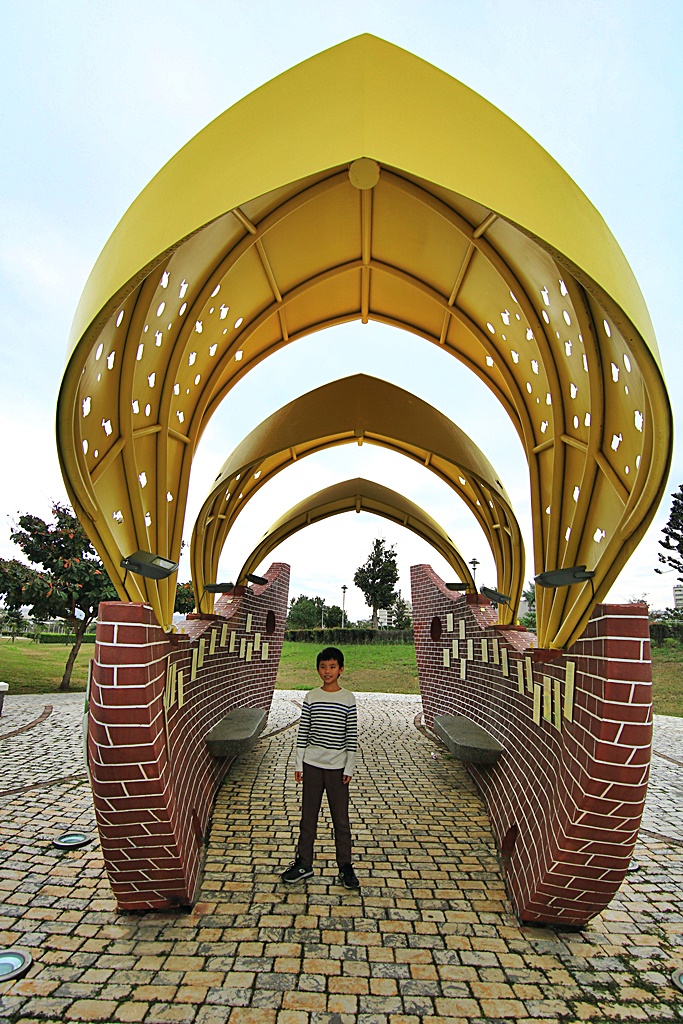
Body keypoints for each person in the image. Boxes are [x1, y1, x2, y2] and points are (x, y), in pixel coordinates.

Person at [281, 646, 359, 890]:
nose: (328, 671)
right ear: (318, 669)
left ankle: (345, 866)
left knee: (341, 820)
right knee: (308, 817)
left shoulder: (348, 699)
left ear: (341, 670)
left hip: (337, 769)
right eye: (323, 667)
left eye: (332, 667)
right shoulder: (311, 697)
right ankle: (304, 863)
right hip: (312, 766)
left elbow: (351, 736)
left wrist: (349, 767)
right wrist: (298, 763)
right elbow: (303, 732)